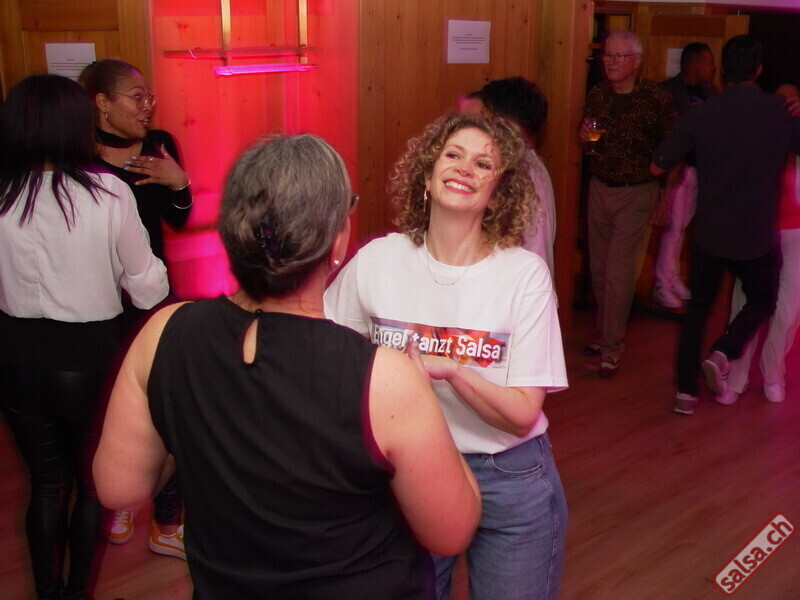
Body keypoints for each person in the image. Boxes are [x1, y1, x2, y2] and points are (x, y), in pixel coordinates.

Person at [93, 134, 481, 599]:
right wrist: (428, 410)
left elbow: (119, 488)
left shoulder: (163, 333)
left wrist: (191, 420)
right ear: (338, 241)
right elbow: (450, 533)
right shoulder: (387, 379)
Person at [325, 113, 568, 600]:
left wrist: (451, 371)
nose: (464, 168)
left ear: (497, 193)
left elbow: (523, 413)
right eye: (453, 155)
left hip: (508, 478)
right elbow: (329, 355)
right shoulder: (378, 260)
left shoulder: (524, 275)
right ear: (427, 174)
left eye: (483, 164)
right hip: (409, 470)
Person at [0, 74, 168, 600]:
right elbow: (149, 288)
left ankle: (46, 592)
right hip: (87, 357)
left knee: (46, 485)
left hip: (14, 356)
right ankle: (77, 591)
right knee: (91, 483)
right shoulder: (108, 193)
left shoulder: (2, 193)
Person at [650, 35, 800, 415]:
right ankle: (723, 351)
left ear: (722, 69)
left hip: (711, 233)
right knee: (763, 299)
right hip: (756, 235)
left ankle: (686, 393)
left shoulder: (703, 112)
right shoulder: (779, 113)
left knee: (698, 311)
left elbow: (657, 164)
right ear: (758, 70)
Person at [78, 58, 190, 558]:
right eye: (136, 96)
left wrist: (178, 182)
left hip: (154, 296)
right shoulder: (77, 155)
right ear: (102, 102)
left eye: (150, 97)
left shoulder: (160, 144)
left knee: (171, 404)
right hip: (100, 304)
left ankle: (166, 519)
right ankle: (119, 498)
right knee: (112, 407)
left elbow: (179, 220)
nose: (147, 106)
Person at [578, 29, 674, 377]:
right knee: (599, 270)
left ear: (637, 61)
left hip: (636, 192)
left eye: (619, 56)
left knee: (619, 272)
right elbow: (590, 143)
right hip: (599, 187)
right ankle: (605, 334)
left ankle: (612, 348)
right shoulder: (598, 94)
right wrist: (585, 138)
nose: (611, 62)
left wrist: (664, 196)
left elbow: (672, 149)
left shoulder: (655, 97)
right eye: (607, 55)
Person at [721, 81, 800, 405]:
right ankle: (735, 378)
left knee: (788, 310)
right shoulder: (759, 132)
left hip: (795, 233)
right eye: (780, 99)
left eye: (792, 100)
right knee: (744, 304)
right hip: (757, 232)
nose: (786, 105)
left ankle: (773, 373)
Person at [653, 43, 717, 308]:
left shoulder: (710, 93)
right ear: (693, 63)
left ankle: (672, 276)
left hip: (698, 169)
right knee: (673, 228)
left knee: (681, 228)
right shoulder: (666, 91)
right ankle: (662, 284)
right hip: (675, 171)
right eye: (708, 62)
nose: (713, 68)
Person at [476, 77, 556, 278]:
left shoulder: (526, 176)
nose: (480, 125)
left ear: (508, 125)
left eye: (486, 118)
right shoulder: (513, 165)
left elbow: (537, 249)